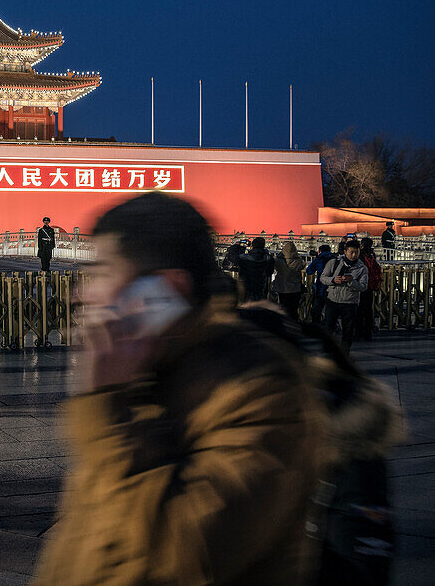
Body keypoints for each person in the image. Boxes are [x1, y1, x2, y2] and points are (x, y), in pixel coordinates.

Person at [33, 193, 321, 586]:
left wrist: (104, 407)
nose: (82, 294)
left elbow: (180, 553)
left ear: (163, 290)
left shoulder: (260, 389)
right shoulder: (148, 366)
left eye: (102, 273)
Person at [320, 239, 369, 353]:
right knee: (328, 328)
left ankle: (344, 354)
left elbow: (363, 286)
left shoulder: (362, 268)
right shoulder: (334, 262)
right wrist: (333, 280)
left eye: (356, 252)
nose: (354, 255)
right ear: (345, 251)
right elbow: (323, 278)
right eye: (351, 252)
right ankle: (329, 352)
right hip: (333, 300)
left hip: (350, 302)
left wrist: (351, 281)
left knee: (348, 331)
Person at [357, 237, 382, 343]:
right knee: (368, 310)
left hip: (360, 285)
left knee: (358, 310)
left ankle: (358, 333)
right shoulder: (372, 254)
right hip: (370, 286)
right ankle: (368, 333)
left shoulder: (359, 254)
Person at [271, 240, 305, 319]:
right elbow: (303, 266)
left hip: (282, 288)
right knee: (293, 308)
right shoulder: (298, 261)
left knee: (283, 307)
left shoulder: (279, 260)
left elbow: (275, 266)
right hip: (295, 288)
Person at [237, 236, 273, 302]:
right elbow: (269, 274)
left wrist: (239, 245)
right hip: (262, 289)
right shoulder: (269, 258)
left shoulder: (244, 258)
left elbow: (233, 257)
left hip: (247, 289)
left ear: (253, 245)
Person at [306, 244, 334, 325]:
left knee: (317, 309)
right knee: (330, 310)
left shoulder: (319, 259)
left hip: (320, 288)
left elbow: (309, 271)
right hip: (332, 289)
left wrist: (316, 259)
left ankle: (316, 326)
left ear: (320, 251)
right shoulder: (334, 259)